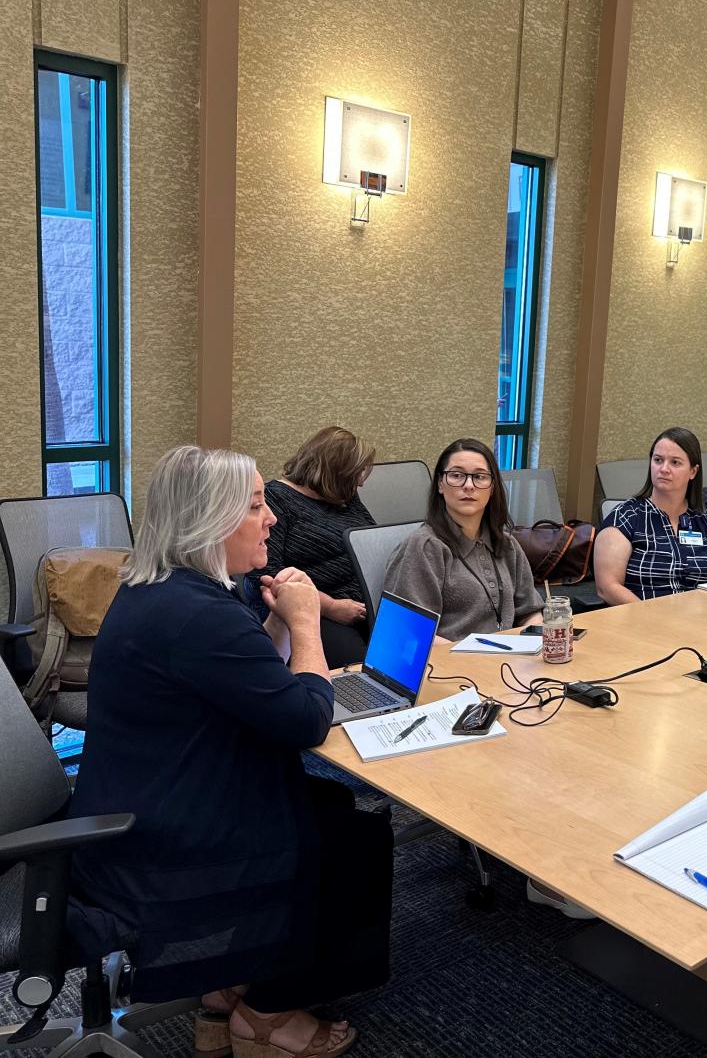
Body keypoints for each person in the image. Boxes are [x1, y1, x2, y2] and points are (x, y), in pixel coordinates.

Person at [66, 446, 390, 1058]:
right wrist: (306, 626)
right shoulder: (197, 614)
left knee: (327, 804)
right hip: (164, 839)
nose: (271, 519)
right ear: (209, 522)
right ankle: (266, 1014)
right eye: (255, 506)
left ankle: (225, 982)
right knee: (352, 838)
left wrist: (271, 627)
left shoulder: (168, 592)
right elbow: (302, 721)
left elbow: (239, 687)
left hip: (142, 801)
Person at [384, 438, 544, 641]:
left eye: (480, 477)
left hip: (504, 661)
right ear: (441, 484)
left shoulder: (507, 545)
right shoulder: (425, 547)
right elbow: (408, 630)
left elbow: (530, 612)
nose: (469, 486)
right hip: (447, 665)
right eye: (457, 475)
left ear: (492, 487)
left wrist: (535, 638)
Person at [255, 426, 376, 667]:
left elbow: (370, 540)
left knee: (405, 668)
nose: (360, 484)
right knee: (358, 672)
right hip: (315, 610)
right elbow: (268, 574)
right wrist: (331, 607)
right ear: (334, 471)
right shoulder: (277, 499)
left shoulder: (345, 497)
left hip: (367, 605)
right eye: (354, 475)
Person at [594, 427, 707, 603]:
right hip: (641, 621)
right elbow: (608, 587)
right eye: (658, 460)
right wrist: (656, 619)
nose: (664, 469)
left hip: (700, 619)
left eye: (675, 462)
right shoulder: (626, 516)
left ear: (693, 471)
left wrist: (704, 610)